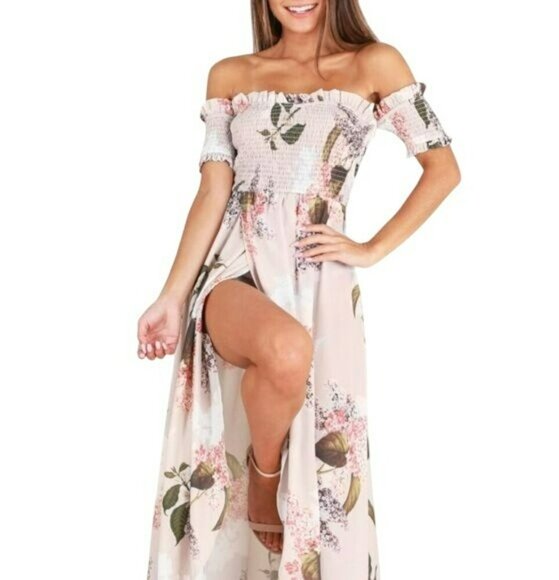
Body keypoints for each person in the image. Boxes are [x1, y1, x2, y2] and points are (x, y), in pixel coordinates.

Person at [138, 1, 461, 578]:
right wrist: (171, 295)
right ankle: (264, 482)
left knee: (315, 409)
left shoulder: (375, 64)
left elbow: (443, 168)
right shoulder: (232, 75)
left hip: (318, 278)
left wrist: (370, 248)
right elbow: (213, 191)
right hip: (234, 265)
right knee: (285, 349)